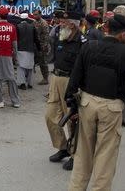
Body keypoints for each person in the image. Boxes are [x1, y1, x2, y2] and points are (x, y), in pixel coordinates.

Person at [65, 14, 125, 191]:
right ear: (123, 35)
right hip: (111, 108)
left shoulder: (89, 46)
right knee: (105, 156)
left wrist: (71, 103)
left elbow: (75, 76)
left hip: (87, 104)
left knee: (83, 153)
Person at [45, 11, 83, 171]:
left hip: (72, 83)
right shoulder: (60, 37)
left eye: (64, 23)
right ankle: (63, 147)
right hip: (56, 78)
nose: (60, 25)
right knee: (50, 116)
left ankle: (76, 155)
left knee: (72, 120)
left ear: (73, 25)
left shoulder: (82, 41)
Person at [0, 7, 21, 108]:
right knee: (11, 78)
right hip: (8, 55)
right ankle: (15, 101)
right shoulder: (12, 27)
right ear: (7, 15)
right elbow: (15, 44)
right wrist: (16, 58)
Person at [16, 12, 40, 90]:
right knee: (30, 67)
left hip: (21, 49)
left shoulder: (18, 26)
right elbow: (36, 39)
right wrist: (39, 49)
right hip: (30, 49)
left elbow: (16, 39)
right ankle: (30, 83)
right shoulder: (32, 27)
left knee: (21, 67)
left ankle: (22, 83)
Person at [33, 9, 50, 85]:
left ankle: (45, 78)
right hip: (37, 45)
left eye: (36, 14)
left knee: (43, 62)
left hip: (43, 45)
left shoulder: (44, 23)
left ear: (40, 14)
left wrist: (45, 46)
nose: (34, 16)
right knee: (40, 62)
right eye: (34, 14)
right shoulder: (34, 22)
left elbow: (46, 35)